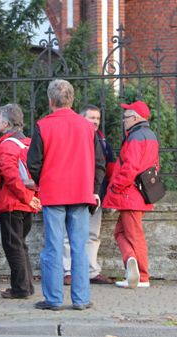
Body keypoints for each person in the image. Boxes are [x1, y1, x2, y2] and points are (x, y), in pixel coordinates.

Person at [27, 80, 105, 311]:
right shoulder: (87, 127)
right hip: (81, 194)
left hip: (54, 194)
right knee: (79, 247)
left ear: (50, 101)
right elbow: (100, 162)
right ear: (72, 100)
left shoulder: (43, 126)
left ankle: (54, 299)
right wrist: (92, 188)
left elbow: (33, 163)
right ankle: (81, 299)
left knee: (53, 247)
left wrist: (45, 182)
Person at [103, 100, 158, 289]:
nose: (123, 121)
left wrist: (115, 188)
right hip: (141, 192)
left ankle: (141, 276)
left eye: (125, 117)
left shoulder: (135, 137)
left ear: (135, 118)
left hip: (129, 194)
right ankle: (132, 262)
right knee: (121, 232)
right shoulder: (149, 135)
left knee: (134, 235)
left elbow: (130, 168)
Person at [62, 104, 115, 286]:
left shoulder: (102, 141)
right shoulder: (72, 137)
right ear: (80, 118)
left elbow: (108, 168)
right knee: (68, 234)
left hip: (95, 194)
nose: (95, 122)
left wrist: (107, 193)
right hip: (73, 192)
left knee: (93, 234)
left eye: (97, 119)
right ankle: (68, 271)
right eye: (91, 118)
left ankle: (91, 271)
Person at [0, 104, 41, 300]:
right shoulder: (30, 143)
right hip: (29, 203)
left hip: (13, 203)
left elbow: (10, 176)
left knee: (13, 246)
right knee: (21, 245)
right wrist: (33, 198)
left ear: (5, 123)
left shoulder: (7, 145)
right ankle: (26, 285)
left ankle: (20, 288)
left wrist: (26, 198)